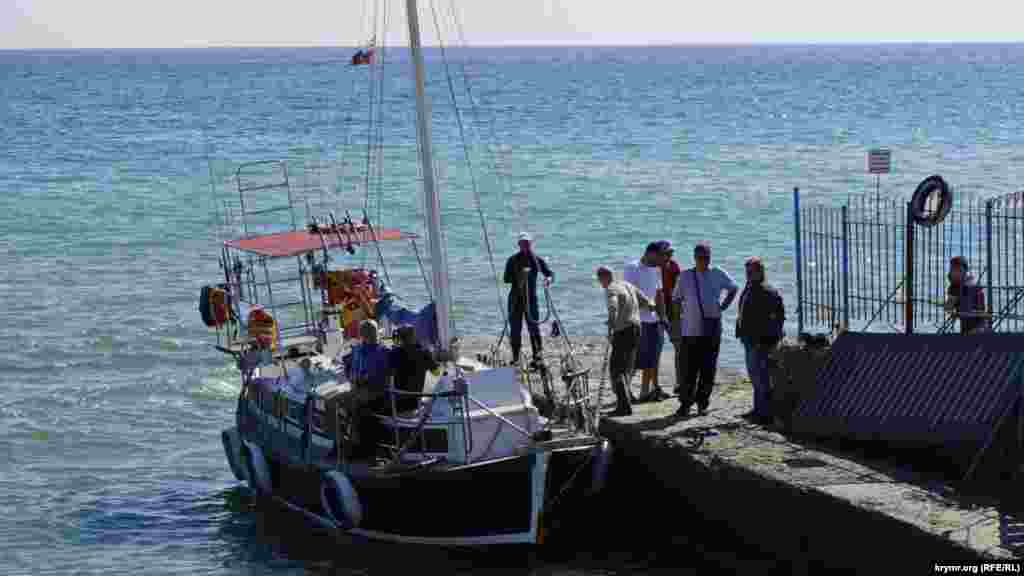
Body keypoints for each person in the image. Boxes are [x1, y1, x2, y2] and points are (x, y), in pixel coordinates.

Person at [671, 242, 738, 418]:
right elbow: (676, 299)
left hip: (712, 328)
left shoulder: (717, 273)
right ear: (695, 258)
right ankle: (685, 404)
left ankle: (702, 404)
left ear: (710, 257)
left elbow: (733, 288)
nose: (704, 260)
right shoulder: (685, 276)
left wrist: (724, 306)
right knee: (688, 369)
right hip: (690, 330)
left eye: (706, 257)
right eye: (700, 257)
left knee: (708, 369)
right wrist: (677, 324)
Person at [597, 266, 656, 417]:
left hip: (623, 331)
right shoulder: (627, 285)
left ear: (603, 277)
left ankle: (624, 407)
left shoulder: (611, 289)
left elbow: (613, 306)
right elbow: (647, 303)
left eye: (599, 280)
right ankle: (627, 399)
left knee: (616, 369)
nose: (600, 283)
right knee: (627, 367)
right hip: (636, 328)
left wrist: (611, 324)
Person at [735, 257, 785, 425]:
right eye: (747, 272)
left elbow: (777, 318)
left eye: (751, 272)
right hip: (749, 339)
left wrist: (766, 339)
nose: (748, 275)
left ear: (760, 272)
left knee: (761, 377)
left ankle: (763, 413)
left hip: (760, 342)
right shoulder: (751, 288)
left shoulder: (766, 291)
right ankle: (759, 409)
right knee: (756, 376)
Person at [623, 243, 669, 403]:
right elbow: (628, 294)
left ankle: (644, 392)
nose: (663, 259)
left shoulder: (656, 269)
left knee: (652, 359)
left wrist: (663, 316)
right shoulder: (632, 268)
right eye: (661, 256)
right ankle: (625, 392)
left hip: (654, 320)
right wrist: (646, 304)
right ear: (651, 254)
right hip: (638, 320)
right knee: (634, 360)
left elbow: (659, 293)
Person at [340, 319, 392, 458]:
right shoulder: (358, 349)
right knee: (338, 403)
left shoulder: (383, 351)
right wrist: (354, 378)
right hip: (361, 389)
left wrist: (358, 380)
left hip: (374, 392)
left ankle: (353, 446)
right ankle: (345, 442)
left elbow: (375, 376)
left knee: (349, 405)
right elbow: (349, 366)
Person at [503, 232, 554, 365]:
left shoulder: (536, 260)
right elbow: (506, 279)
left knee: (534, 327)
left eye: (527, 243)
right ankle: (516, 358)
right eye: (522, 243)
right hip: (515, 299)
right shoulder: (512, 260)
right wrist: (520, 277)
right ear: (519, 244)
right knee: (515, 328)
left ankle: (537, 357)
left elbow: (549, 273)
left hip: (531, 299)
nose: (525, 245)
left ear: (531, 244)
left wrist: (548, 279)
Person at [388, 324, 441, 415]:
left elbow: (388, 372)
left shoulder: (393, 353)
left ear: (399, 338)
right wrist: (432, 359)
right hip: (415, 402)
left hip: (397, 403)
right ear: (413, 336)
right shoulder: (423, 352)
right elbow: (436, 372)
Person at [656, 240, 684, 397]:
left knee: (680, 348)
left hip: (673, 313)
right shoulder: (652, 268)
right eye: (667, 253)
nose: (670, 256)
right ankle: (654, 385)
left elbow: (679, 289)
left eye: (671, 253)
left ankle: (680, 383)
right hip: (655, 313)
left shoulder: (674, 266)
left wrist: (680, 310)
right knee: (655, 349)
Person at [945, 256, 989, 334]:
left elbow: (948, 308)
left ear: (963, 271)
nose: (952, 272)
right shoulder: (974, 284)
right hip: (983, 327)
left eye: (954, 270)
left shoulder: (955, 287)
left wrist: (953, 309)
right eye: (952, 270)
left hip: (971, 329)